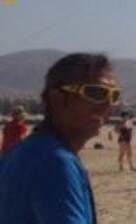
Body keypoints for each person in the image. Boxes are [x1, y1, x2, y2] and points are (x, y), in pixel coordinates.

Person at [0, 52, 118, 222]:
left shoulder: (18, 153)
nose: (109, 104)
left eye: (114, 96)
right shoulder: (54, 161)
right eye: (96, 93)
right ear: (57, 97)